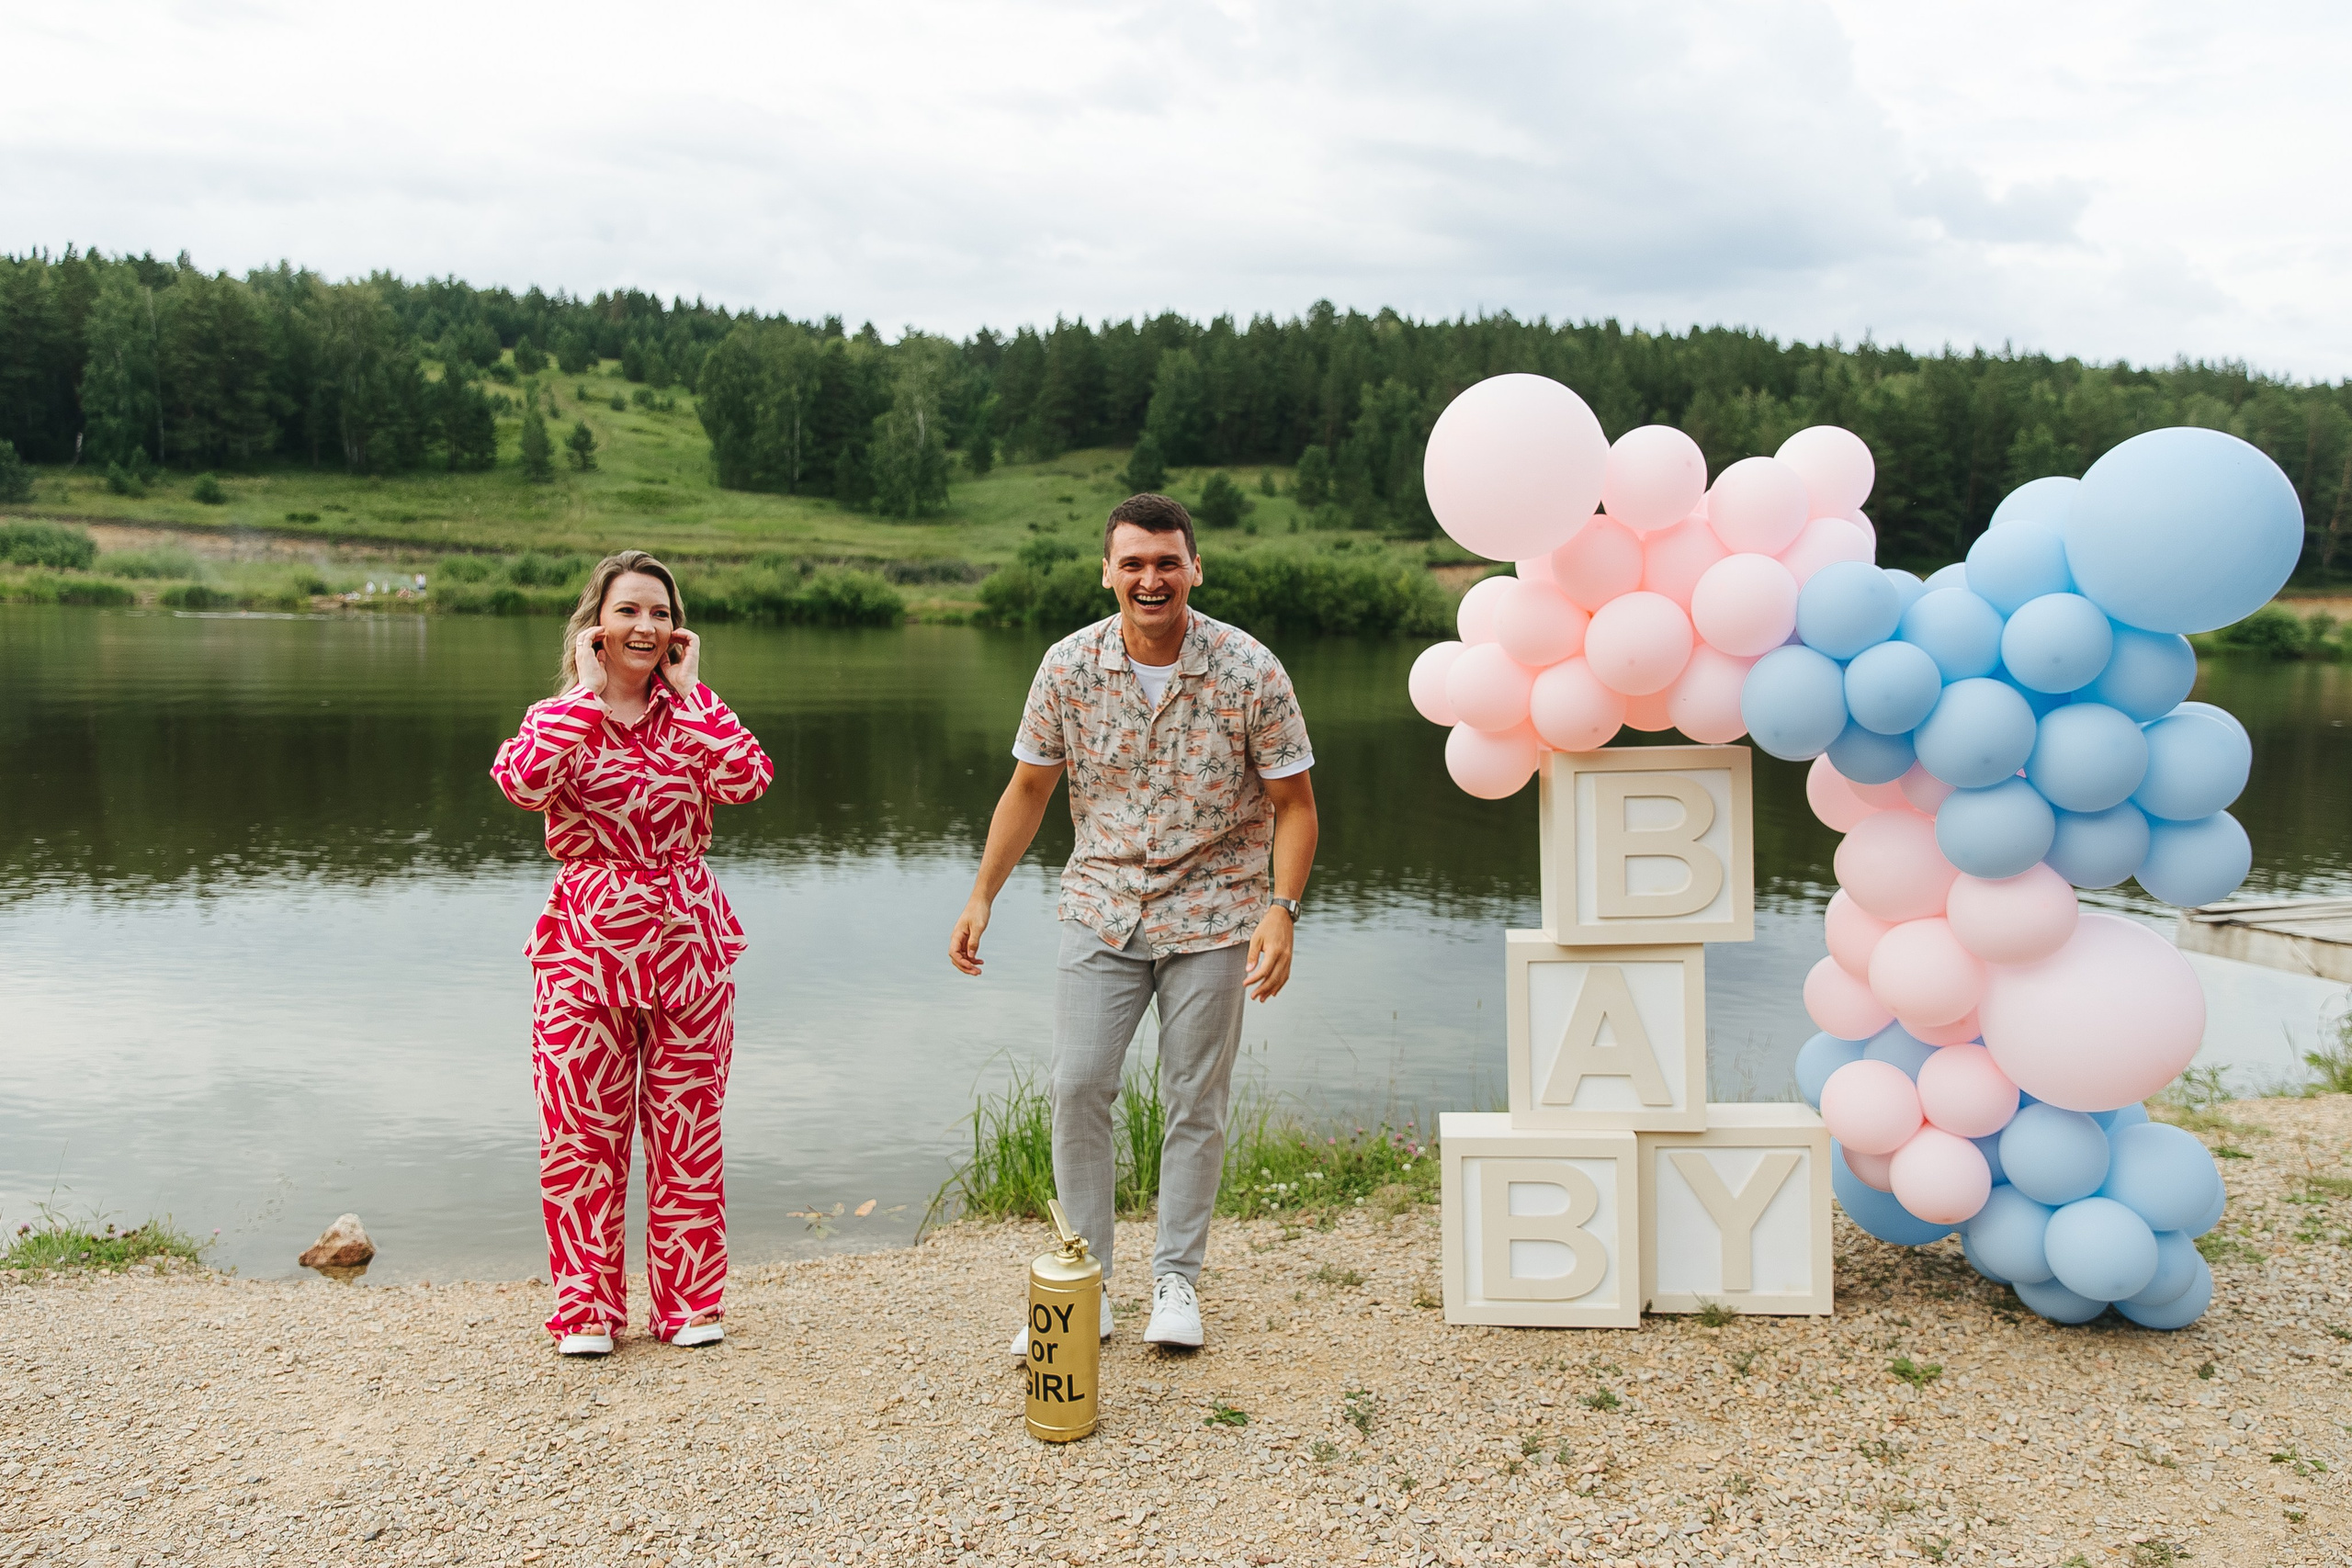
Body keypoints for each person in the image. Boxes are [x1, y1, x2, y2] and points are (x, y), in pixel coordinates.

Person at [950, 493, 1318, 1351]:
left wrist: (1282, 910)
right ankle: (1089, 1282)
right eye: (1133, 563)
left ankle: (1176, 1284)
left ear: (1195, 567)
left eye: (1166, 562)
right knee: (1078, 1085)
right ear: (1107, 571)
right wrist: (981, 895)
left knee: (1197, 1098)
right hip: (1101, 908)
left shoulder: (1250, 669)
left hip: (1216, 910)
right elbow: (1029, 789)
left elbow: (1295, 804)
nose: (1150, 579)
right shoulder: (1067, 666)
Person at [492, 550, 774, 1356]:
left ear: (676, 630)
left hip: (689, 946)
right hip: (584, 950)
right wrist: (585, 697)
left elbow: (750, 779)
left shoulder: (691, 715)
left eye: (659, 612)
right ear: (596, 627)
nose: (645, 626)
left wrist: (692, 699)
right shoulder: (562, 715)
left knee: (688, 1134)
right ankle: (586, 1310)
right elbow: (520, 783)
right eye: (628, 612)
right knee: (580, 1135)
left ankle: (687, 1305)